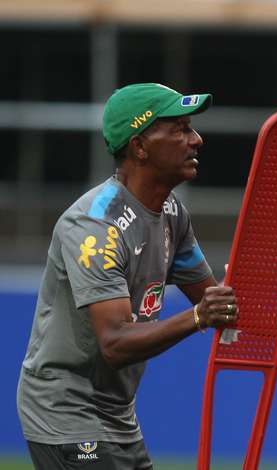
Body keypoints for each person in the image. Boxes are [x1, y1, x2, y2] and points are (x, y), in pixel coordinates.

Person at [17, 83, 239, 470]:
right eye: (180, 129)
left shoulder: (171, 213)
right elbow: (115, 343)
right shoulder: (94, 225)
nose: (197, 139)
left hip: (117, 415)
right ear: (139, 146)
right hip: (66, 412)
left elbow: (217, 302)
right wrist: (200, 317)